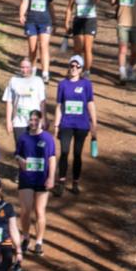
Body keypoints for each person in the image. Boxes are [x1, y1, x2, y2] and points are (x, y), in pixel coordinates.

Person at [54, 55, 97, 197]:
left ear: (81, 68)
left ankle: (75, 183)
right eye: (71, 66)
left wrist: (94, 125)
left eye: (77, 66)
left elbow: (90, 104)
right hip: (66, 123)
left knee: (77, 154)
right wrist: (56, 124)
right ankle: (61, 182)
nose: (74, 68)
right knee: (64, 152)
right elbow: (59, 105)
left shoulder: (86, 84)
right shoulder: (62, 84)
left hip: (82, 125)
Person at [14, 110, 56, 255]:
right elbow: (17, 154)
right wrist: (20, 160)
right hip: (26, 178)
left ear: (40, 120)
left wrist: (51, 177)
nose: (33, 122)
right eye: (30, 119)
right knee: (25, 211)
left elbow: (51, 158)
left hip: (42, 180)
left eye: (35, 120)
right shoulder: (23, 138)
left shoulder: (47, 138)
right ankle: (26, 237)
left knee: (39, 211)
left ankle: (39, 241)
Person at [18, 0, 55, 82]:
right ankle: (33, 70)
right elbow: (24, 3)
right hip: (32, 21)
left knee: (44, 46)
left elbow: (51, 6)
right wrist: (22, 14)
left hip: (45, 22)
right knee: (32, 48)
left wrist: (55, 20)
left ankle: (45, 73)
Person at [2, 57, 47, 149]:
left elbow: (42, 102)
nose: (24, 70)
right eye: (22, 67)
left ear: (31, 67)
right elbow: (9, 101)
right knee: (20, 149)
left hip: (34, 121)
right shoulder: (13, 80)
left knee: (34, 149)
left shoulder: (38, 81)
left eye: (27, 67)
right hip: (19, 121)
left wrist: (44, 119)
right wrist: (8, 121)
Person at [63, 0, 99, 76]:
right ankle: (76, 70)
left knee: (87, 47)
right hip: (78, 20)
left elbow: (96, 0)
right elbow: (69, 8)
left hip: (90, 21)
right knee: (77, 48)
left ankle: (87, 71)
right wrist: (66, 23)